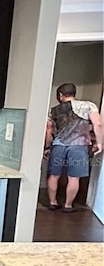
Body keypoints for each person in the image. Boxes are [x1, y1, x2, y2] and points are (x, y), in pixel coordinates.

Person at [44, 82, 103, 212]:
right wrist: (99, 143)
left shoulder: (54, 110)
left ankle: (53, 203)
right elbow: (98, 125)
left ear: (60, 95)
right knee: (74, 177)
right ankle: (68, 205)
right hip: (79, 145)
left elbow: (48, 130)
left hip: (58, 145)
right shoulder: (89, 106)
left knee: (54, 175)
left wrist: (47, 147)